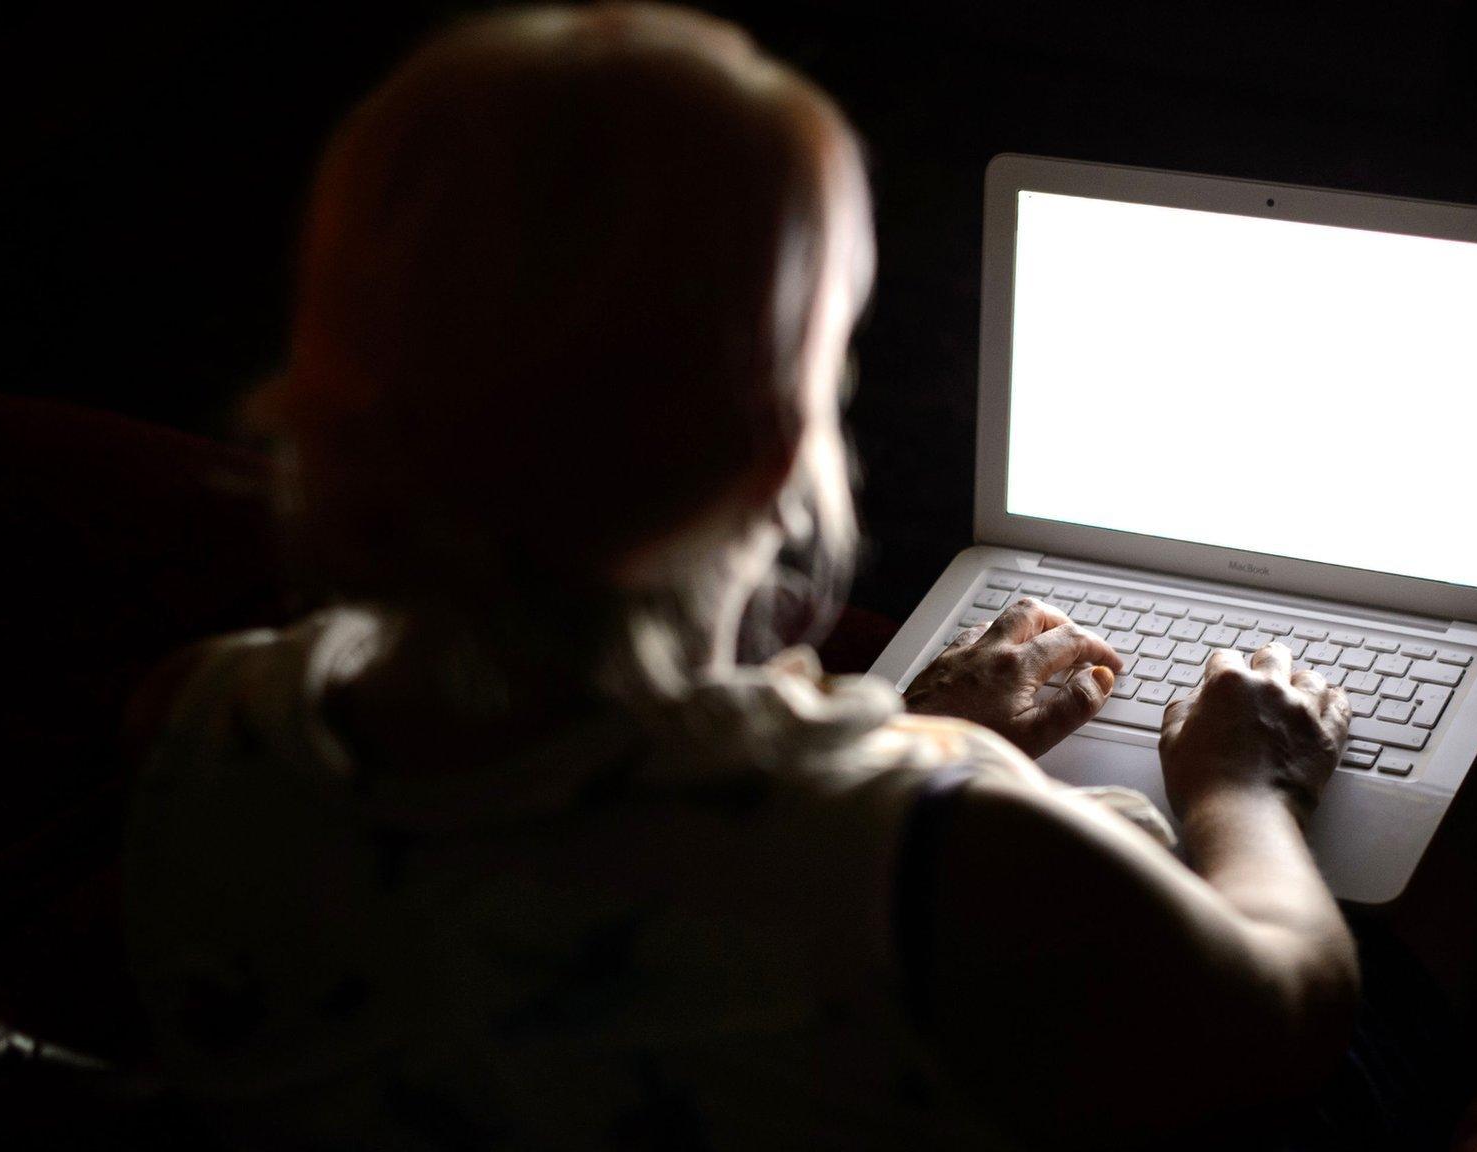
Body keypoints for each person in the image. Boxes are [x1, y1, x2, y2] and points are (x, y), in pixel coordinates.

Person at [122, 5, 1363, 1147]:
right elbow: (1292, 1012)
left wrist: (906, 732)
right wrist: (1237, 785)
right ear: (779, 444)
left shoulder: (200, 724)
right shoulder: (946, 848)